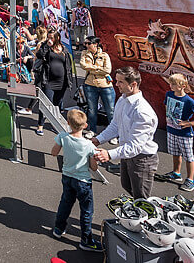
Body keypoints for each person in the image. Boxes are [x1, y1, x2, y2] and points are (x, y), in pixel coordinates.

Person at [93, 66, 159, 198]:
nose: (116, 84)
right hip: (126, 154)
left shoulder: (142, 111)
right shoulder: (123, 99)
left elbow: (135, 146)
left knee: (141, 199)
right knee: (127, 186)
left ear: (133, 84)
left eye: (120, 82)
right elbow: (115, 125)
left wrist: (109, 154)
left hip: (142, 159)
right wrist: (98, 139)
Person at [51, 109, 102, 252]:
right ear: (85, 125)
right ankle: (86, 240)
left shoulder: (62, 137)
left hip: (67, 177)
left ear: (68, 123)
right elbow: (93, 167)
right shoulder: (89, 146)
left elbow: (53, 153)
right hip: (83, 181)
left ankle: (59, 228)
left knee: (65, 203)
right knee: (86, 210)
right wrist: (95, 158)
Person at [163, 73, 194, 192]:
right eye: (170, 83)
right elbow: (167, 107)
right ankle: (176, 173)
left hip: (185, 134)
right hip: (171, 130)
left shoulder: (189, 101)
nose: (170, 86)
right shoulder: (169, 94)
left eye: (173, 84)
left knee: (188, 157)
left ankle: (190, 180)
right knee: (175, 153)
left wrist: (190, 123)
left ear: (182, 86)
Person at [34, 32, 71, 136]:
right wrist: (46, 45)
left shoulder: (63, 48)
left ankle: (55, 124)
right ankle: (40, 125)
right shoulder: (46, 47)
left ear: (57, 37)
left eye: (51, 37)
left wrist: (69, 80)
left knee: (57, 103)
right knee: (46, 103)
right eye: (48, 37)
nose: (49, 39)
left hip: (62, 81)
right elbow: (39, 55)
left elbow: (67, 65)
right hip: (49, 81)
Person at [79, 37, 115, 137]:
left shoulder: (104, 55)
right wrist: (99, 68)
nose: (85, 45)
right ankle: (92, 130)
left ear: (95, 44)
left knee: (110, 111)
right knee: (91, 109)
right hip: (90, 84)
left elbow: (107, 70)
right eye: (85, 43)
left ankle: (114, 133)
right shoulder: (84, 53)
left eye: (88, 43)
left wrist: (91, 68)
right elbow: (83, 65)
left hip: (105, 85)